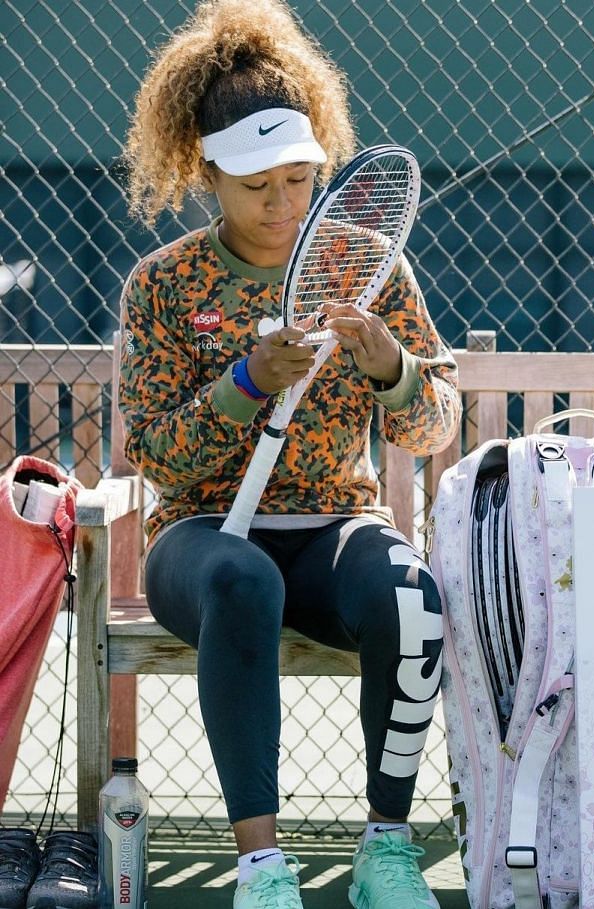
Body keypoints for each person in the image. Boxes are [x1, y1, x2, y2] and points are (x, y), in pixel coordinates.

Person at [118, 1, 461, 907]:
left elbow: (434, 429)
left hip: (336, 528)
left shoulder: (370, 265)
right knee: (243, 581)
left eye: (301, 179)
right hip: (200, 540)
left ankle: (385, 850)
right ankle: (262, 869)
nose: (282, 203)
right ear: (207, 174)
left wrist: (391, 368)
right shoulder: (162, 284)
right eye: (257, 183)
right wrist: (244, 381)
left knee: (409, 592)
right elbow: (154, 453)